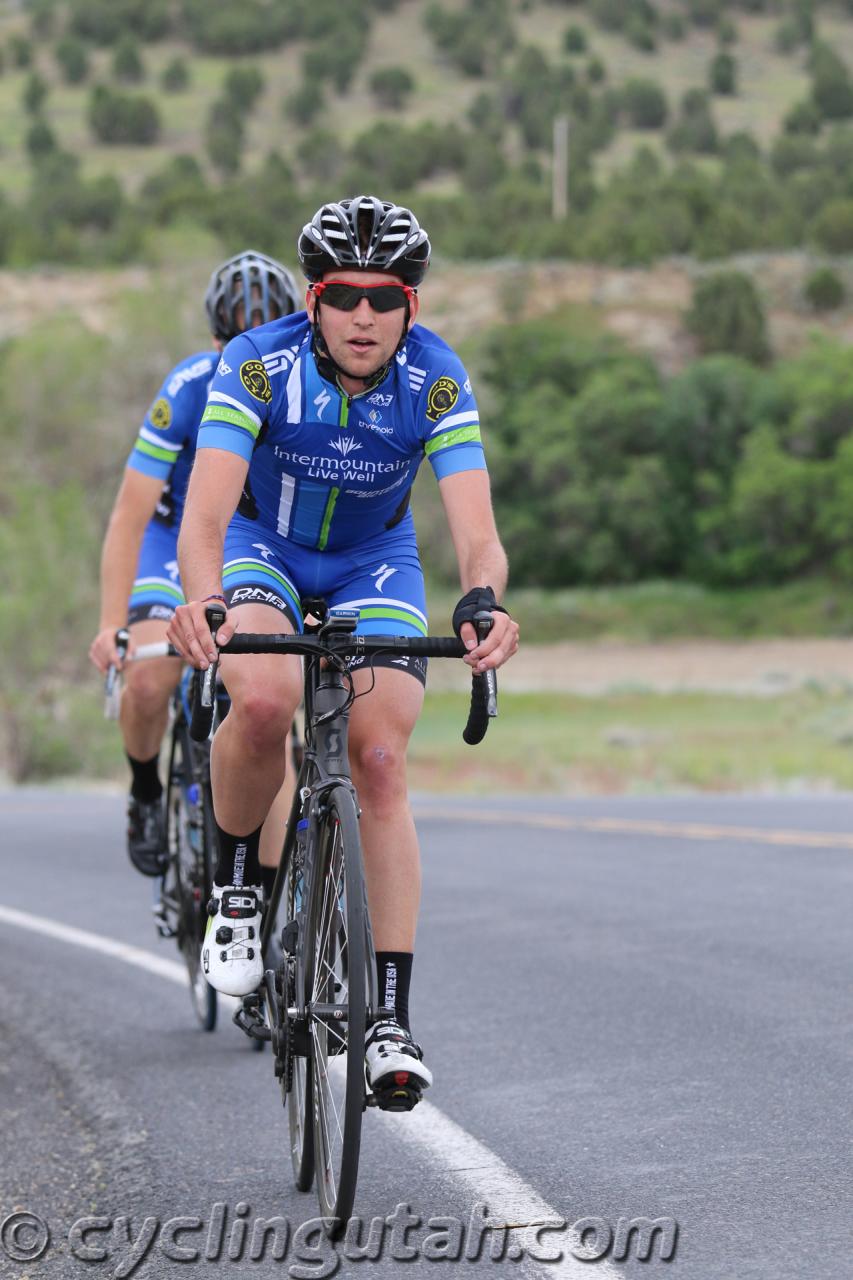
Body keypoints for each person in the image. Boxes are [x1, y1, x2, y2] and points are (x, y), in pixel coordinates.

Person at [167, 196, 519, 1102]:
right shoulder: (256, 364)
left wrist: (482, 599)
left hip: (375, 563)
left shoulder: (436, 379)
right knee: (262, 699)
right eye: (344, 296)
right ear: (313, 298)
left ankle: (389, 1019)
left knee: (379, 757)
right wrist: (203, 597)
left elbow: (476, 530)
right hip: (264, 551)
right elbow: (204, 515)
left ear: (412, 304)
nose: (364, 316)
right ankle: (239, 891)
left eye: (387, 296)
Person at [89, 251, 300, 877]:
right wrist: (111, 624)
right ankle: (146, 791)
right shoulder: (187, 388)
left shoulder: (305, 387)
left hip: (256, 545)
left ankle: (264, 894)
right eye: (234, 339)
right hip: (174, 539)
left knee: (273, 723)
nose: (247, 354)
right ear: (214, 341)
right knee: (152, 676)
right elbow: (129, 515)